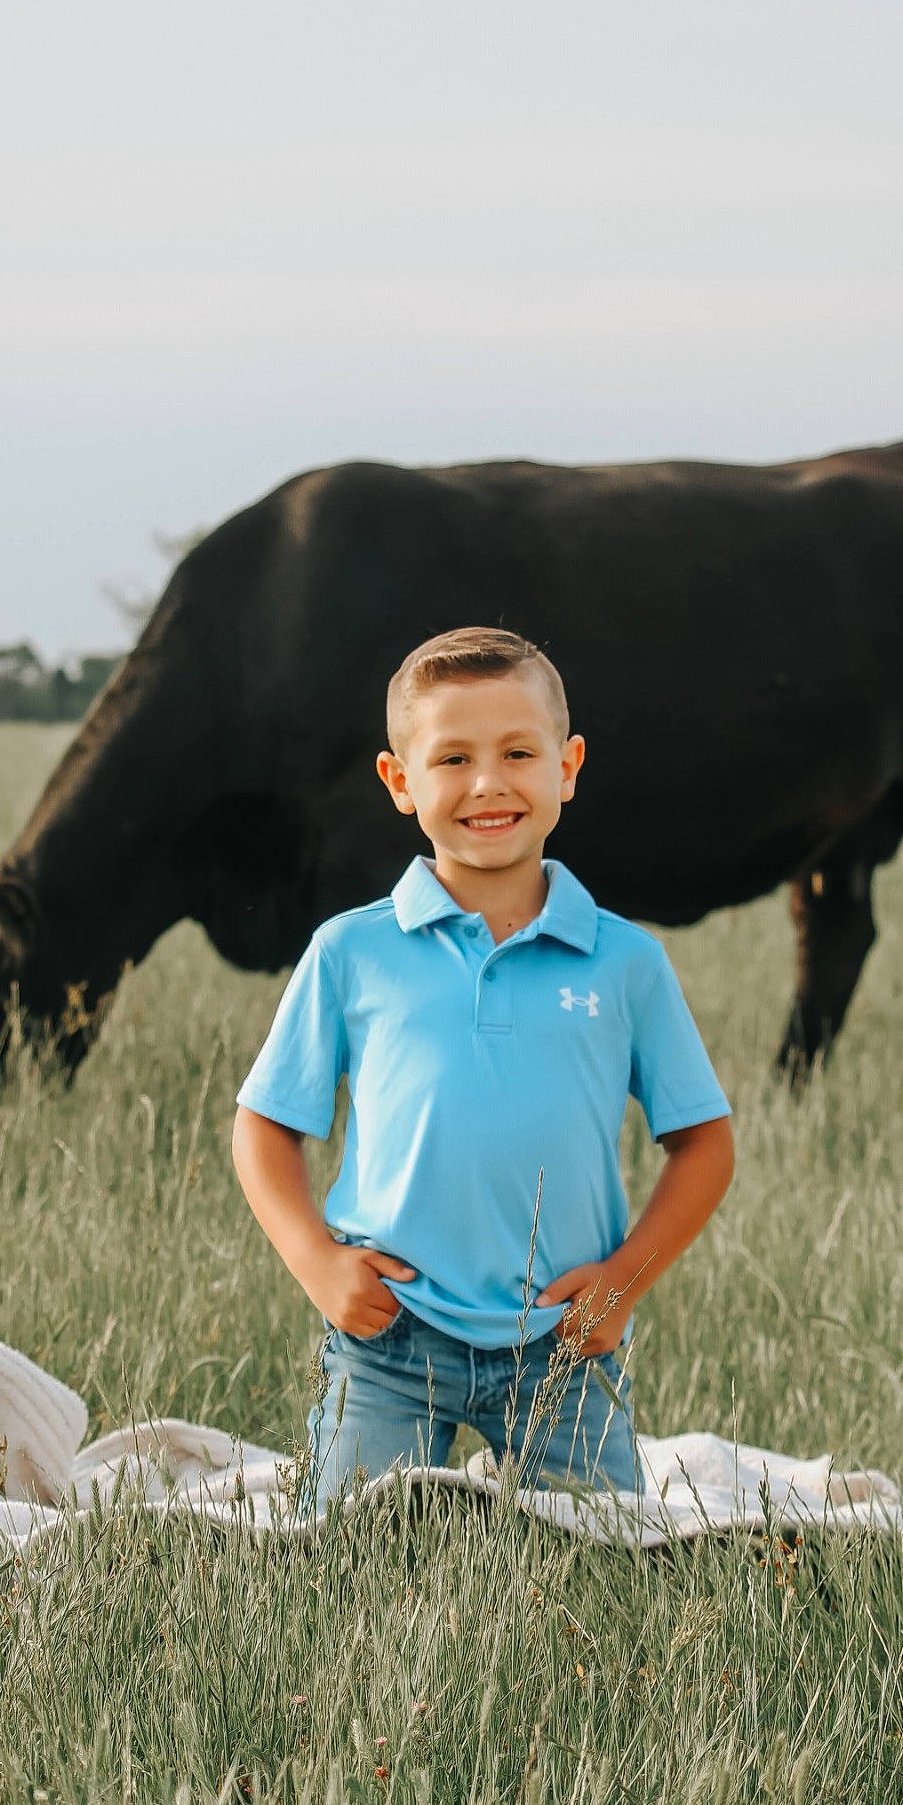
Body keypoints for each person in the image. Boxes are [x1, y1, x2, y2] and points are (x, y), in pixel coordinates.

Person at [231, 626, 734, 1509]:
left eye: (517, 752)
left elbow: (704, 1143)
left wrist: (622, 1284)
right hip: (390, 1334)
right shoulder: (352, 951)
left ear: (567, 767)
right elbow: (265, 1125)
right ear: (399, 781)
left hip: (560, 1342)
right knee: (350, 1562)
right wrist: (315, 1260)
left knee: (600, 1564)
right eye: (452, 757)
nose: (487, 783)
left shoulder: (623, 962)